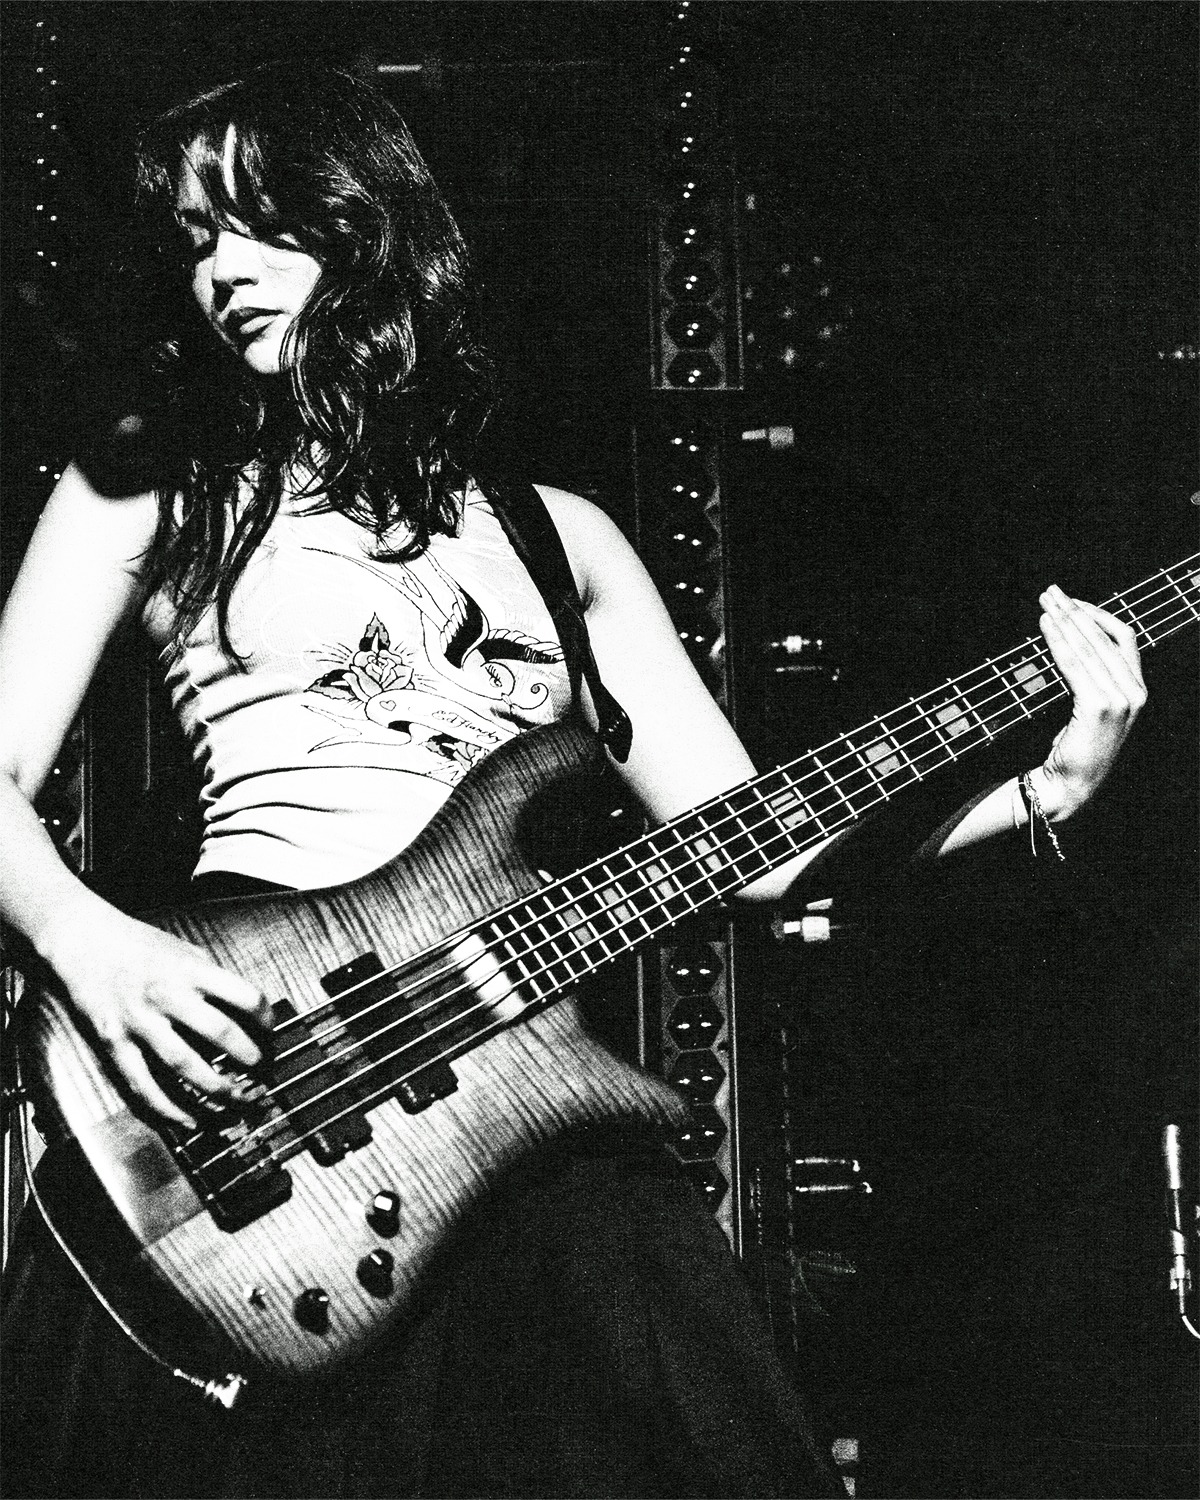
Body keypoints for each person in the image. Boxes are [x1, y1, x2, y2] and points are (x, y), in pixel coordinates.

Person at [0, 62, 1146, 1499]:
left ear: (362, 221)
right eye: (194, 239)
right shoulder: (151, 482)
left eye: (256, 221)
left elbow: (761, 847)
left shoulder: (565, 538)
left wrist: (1045, 793)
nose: (219, 271)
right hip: (267, 1085)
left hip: (530, 1088)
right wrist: (88, 943)